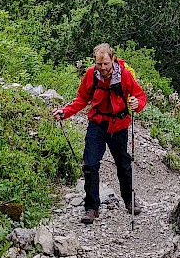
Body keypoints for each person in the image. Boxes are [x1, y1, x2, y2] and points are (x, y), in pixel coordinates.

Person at [53, 43, 147, 225]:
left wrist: (137, 105)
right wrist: (65, 112)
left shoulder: (124, 75)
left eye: (105, 64)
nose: (102, 68)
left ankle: (129, 200)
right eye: (99, 64)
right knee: (90, 164)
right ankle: (91, 208)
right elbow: (81, 99)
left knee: (123, 165)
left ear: (112, 60)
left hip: (119, 125)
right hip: (97, 124)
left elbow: (140, 96)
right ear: (95, 62)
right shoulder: (91, 75)